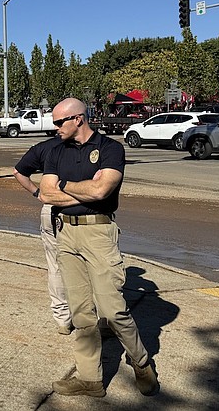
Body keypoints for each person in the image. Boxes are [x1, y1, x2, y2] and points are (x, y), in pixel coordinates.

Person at [40, 97, 158, 398]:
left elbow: (103, 189)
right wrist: (80, 191)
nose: (54, 128)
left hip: (99, 233)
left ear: (78, 119)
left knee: (113, 309)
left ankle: (141, 362)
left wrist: (64, 187)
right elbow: (45, 194)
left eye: (59, 122)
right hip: (66, 233)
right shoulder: (54, 151)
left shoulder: (110, 149)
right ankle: (90, 378)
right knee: (81, 312)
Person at [12, 137, 73, 336]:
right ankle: (101, 319)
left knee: (56, 264)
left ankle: (63, 319)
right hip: (81, 208)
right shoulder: (87, 146)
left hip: (50, 209)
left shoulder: (44, 147)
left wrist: (38, 193)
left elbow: (18, 172)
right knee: (90, 265)